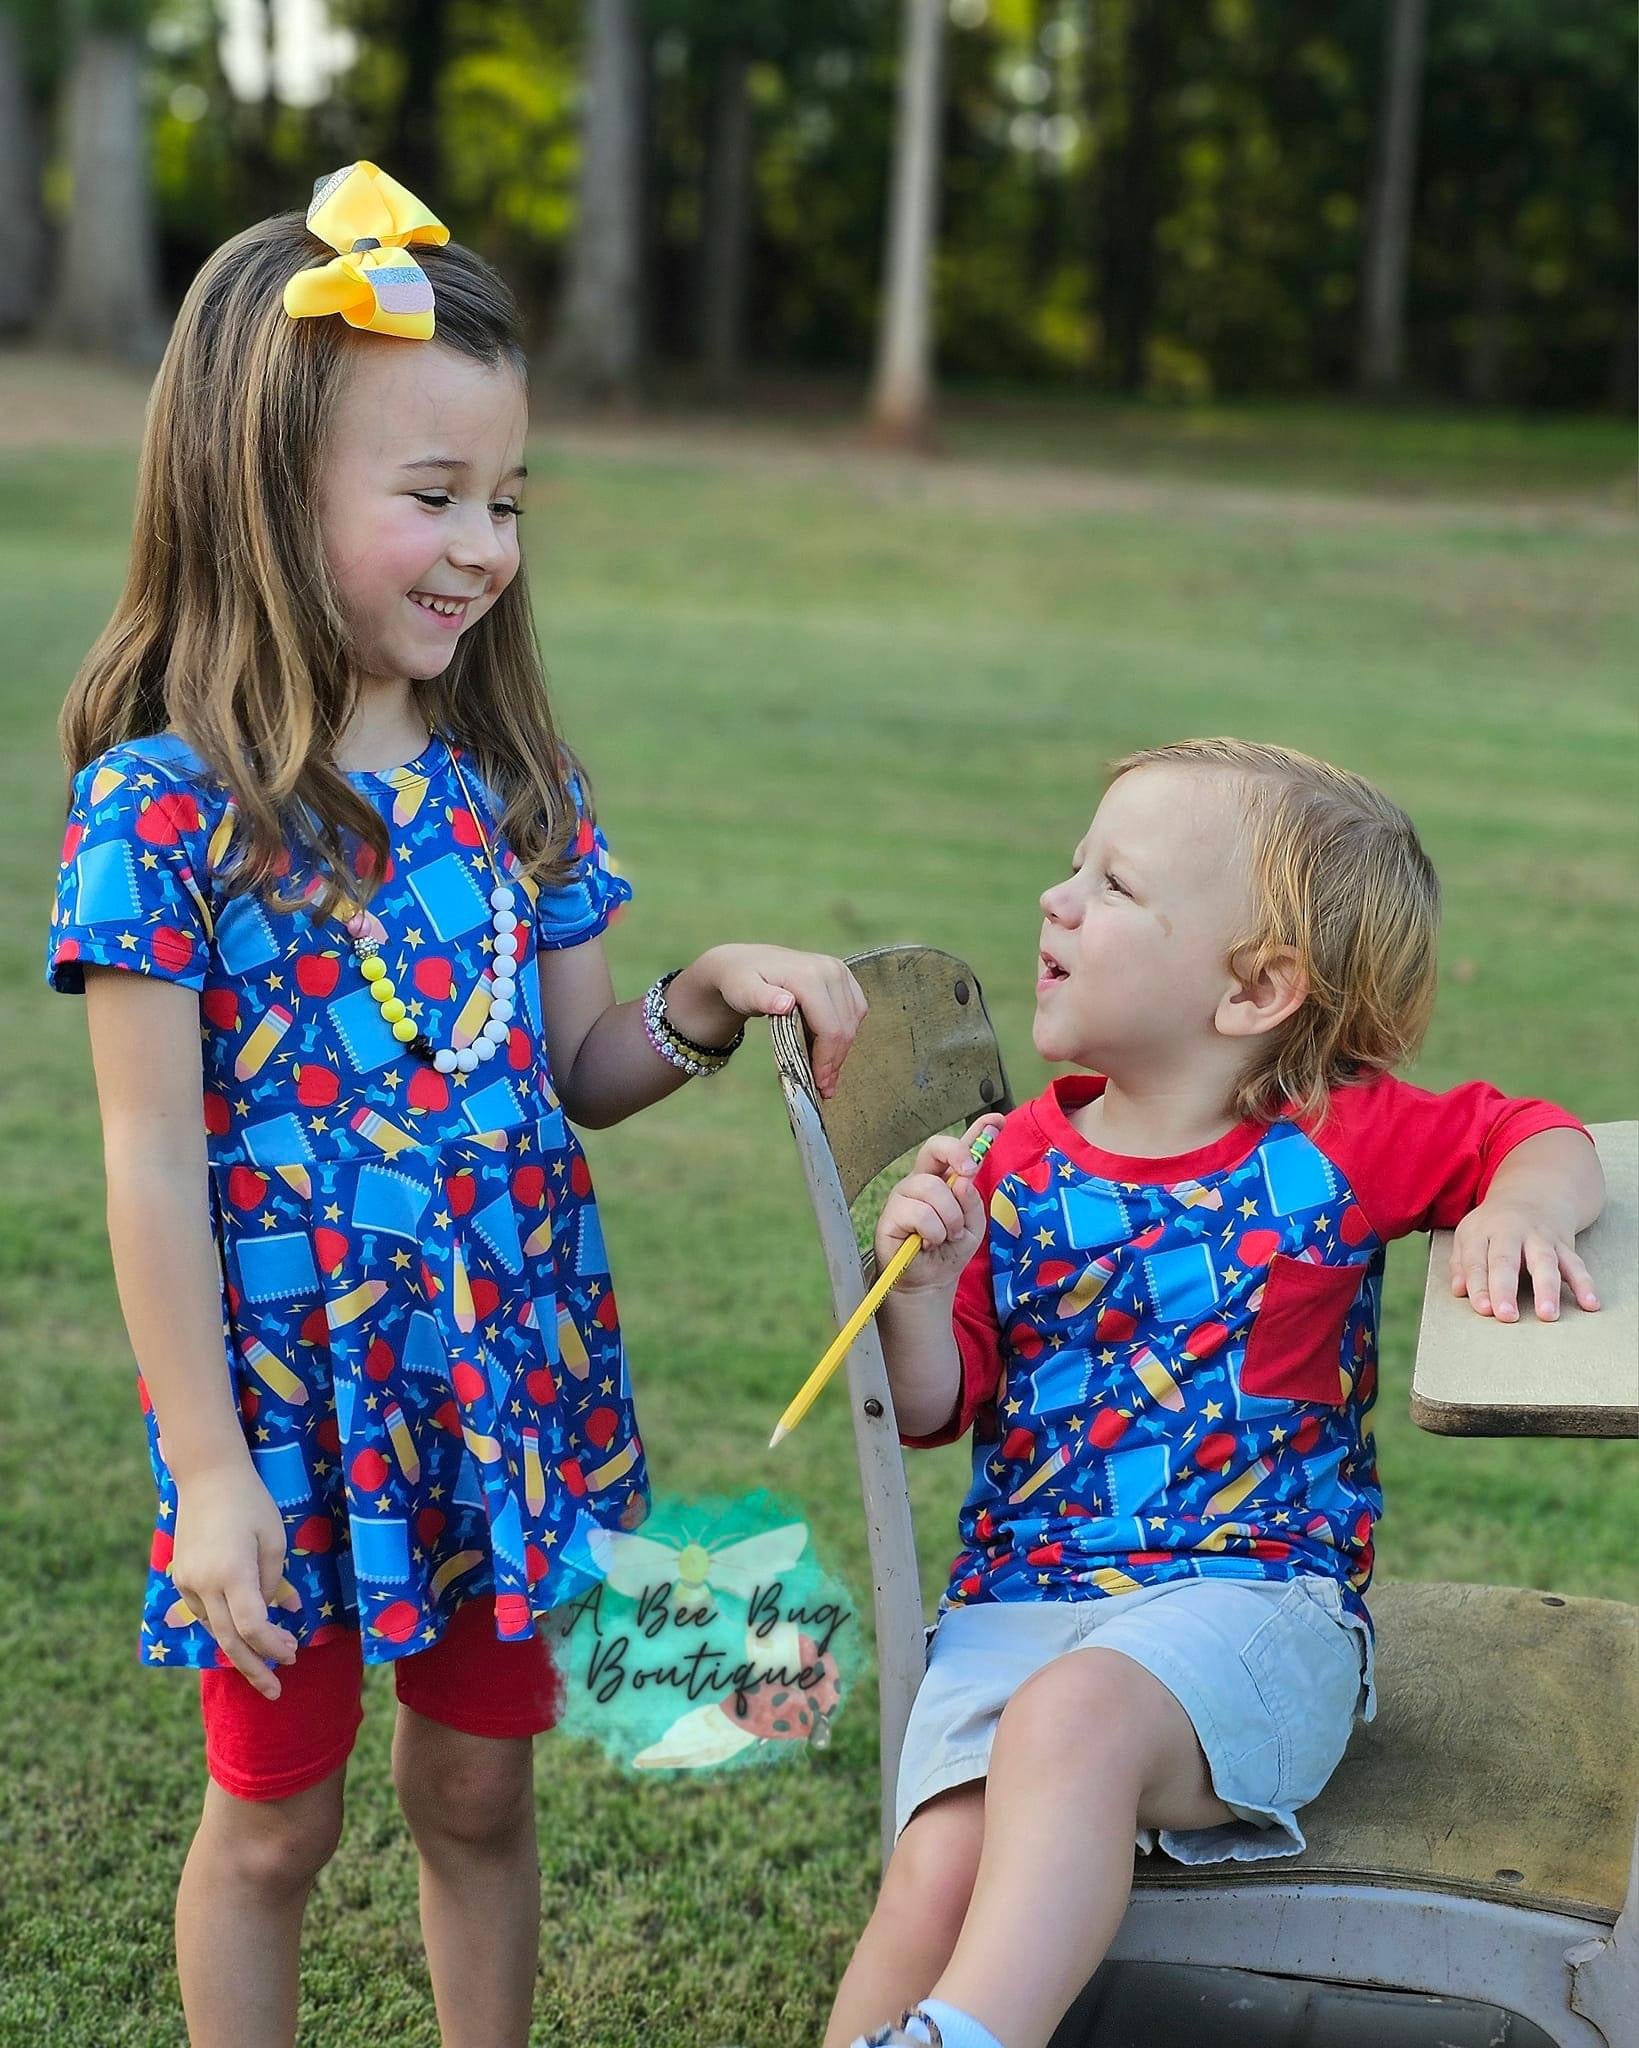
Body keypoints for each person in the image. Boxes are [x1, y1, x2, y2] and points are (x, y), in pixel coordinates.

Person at [44, 162, 866, 2048]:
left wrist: (704, 1003)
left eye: (504, 502)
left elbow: (578, 1076)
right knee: (275, 1816)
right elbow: (148, 1161)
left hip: (504, 1386)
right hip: (290, 1414)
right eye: (430, 498)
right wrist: (214, 1476)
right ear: (266, 495)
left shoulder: (514, 775)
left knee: (483, 1794)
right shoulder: (166, 808)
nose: (482, 546)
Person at [828, 738, 1602, 2048]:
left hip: (1253, 1612)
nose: (1053, 900)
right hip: (1021, 1610)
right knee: (941, 1864)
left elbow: (1537, 1134)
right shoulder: (1012, 1164)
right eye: (1074, 866)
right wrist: (917, 1289)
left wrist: (1520, 1208)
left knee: (1068, 1726)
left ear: (1255, 989)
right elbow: (929, 1402)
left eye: (1113, 885)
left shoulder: (1339, 1139)